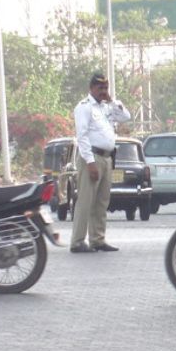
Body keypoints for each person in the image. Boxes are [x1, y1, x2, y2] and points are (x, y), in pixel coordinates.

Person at [69, 73, 130, 253]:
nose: (103, 91)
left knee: (102, 202)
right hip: (92, 157)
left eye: (105, 88)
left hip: (107, 157)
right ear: (91, 88)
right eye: (100, 88)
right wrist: (89, 162)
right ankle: (78, 241)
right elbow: (82, 136)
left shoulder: (106, 107)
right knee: (86, 201)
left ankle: (97, 239)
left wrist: (112, 100)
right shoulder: (84, 107)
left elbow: (126, 116)